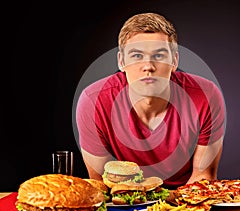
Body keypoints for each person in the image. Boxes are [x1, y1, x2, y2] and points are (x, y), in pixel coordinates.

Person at [75, 12, 226, 189]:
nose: (148, 66)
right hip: (123, 204)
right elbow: (101, 184)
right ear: (121, 61)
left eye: (159, 55)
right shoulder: (93, 101)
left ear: (174, 60)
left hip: (185, 203)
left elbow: (203, 178)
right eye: (137, 56)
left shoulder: (206, 95)